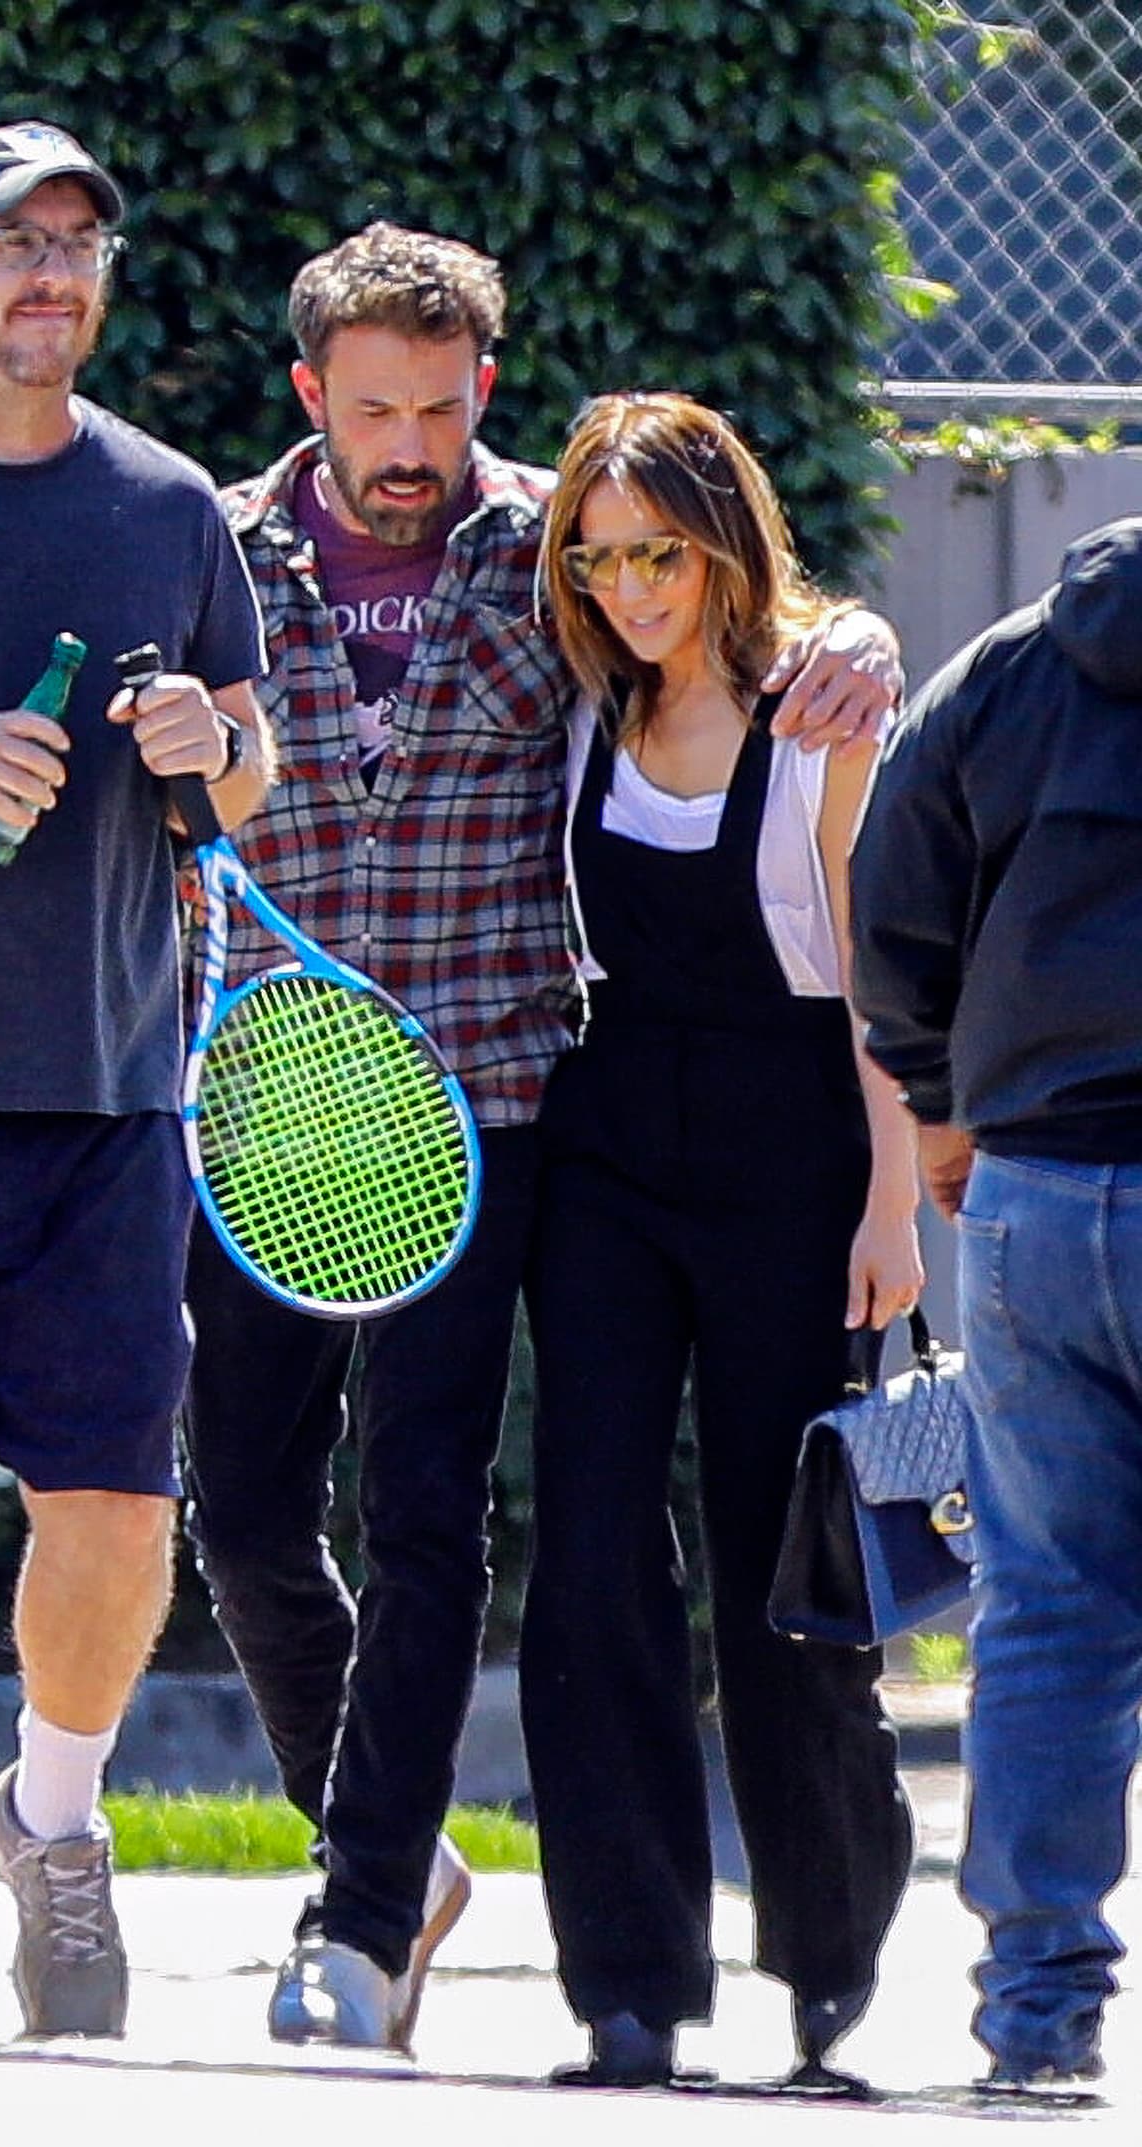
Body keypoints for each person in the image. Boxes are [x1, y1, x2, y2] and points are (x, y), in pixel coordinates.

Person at [180, 219, 905, 2055]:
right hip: (359, 1117)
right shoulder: (219, 552)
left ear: (480, 391)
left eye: (438, 404)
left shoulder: (551, 562)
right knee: (366, 1534)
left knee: (594, 1540)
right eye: (372, 410)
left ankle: (756, 1962)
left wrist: (867, 638)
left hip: (562, 1116)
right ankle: (519, 1928)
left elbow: (745, 638)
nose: (406, 442)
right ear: (310, 399)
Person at [0, 120, 271, 2045]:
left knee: (116, 1516)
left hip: (113, 1090)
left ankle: (54, 1823)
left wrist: (217, 733)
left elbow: (242, 782)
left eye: (79, 242)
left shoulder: (168, 506)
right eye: (11, 240)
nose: (52, 270)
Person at [520, 391, 922, 2089]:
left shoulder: (824, 717)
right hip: (606, 1166)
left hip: (795, 1168)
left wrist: (894, 1207)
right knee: (595, 1552)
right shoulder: (576, 702)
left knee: (792, 1565)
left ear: (725, 540)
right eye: (598, 559)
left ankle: (829, 1955)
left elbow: (879, 984)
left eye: (658, 554)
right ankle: (627, 1984)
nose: (627, 589)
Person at [850, 517, 1142, 2095]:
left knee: (1054, 1607)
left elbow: (888, 893)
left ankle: (1038, 2020)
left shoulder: (1013, 666)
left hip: (1031, 1193)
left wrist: (947, 1099)